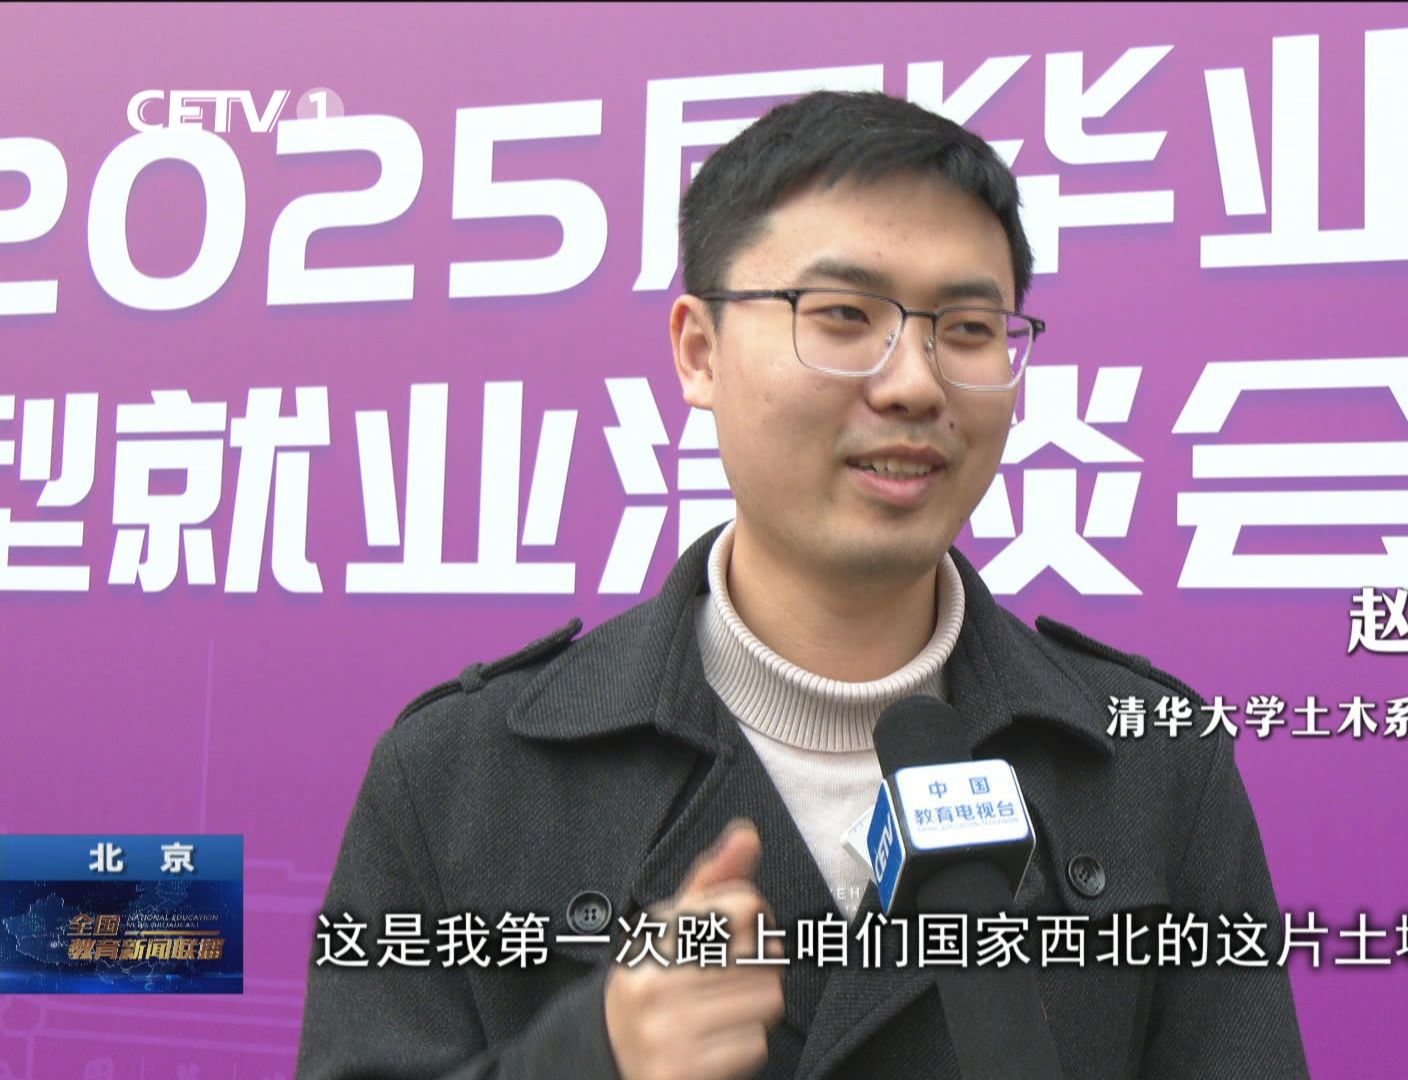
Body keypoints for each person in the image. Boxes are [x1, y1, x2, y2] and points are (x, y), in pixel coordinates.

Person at [297, 89, 1310, 1080]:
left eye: (967, 329)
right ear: (699, 351)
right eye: (843, 315)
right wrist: (591, 1059)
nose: (914, 383)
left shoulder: (1152, 764)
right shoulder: (459, 776)